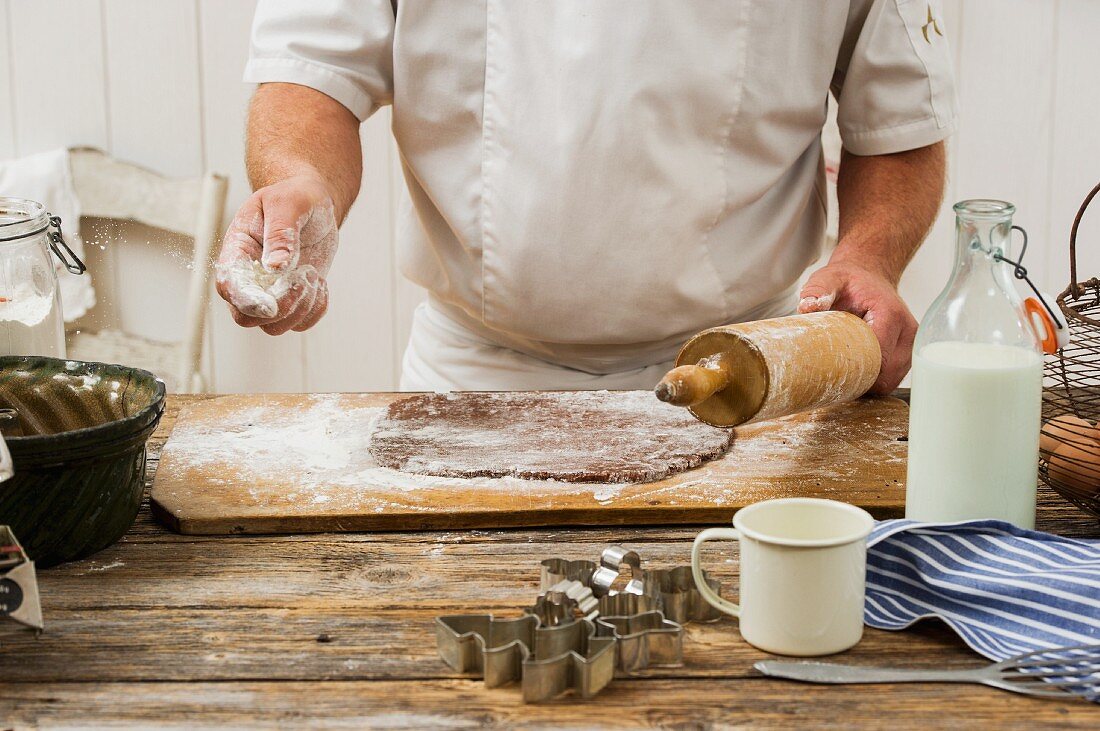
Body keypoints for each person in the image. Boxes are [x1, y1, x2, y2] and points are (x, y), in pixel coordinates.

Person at [216, 1, 955, 394]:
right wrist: (301, 178)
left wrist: (868, 255)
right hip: (480, 378)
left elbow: (895, 119)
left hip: (751, 374)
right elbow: (309, 74)